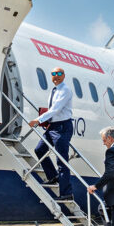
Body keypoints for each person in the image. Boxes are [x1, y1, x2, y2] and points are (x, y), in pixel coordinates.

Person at [29, 67, 73, 200]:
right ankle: (53, 176)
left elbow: (56, 109)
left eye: (59, 73)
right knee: (39, 149)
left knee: (61, 160)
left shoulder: (65, 90)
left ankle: (66, 193)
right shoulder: (54, 90)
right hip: (53, 126)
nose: (56, 76)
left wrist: (39, 119)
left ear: (64, 76)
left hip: (62, 127)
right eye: (54, 74)